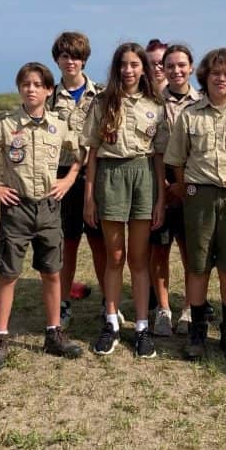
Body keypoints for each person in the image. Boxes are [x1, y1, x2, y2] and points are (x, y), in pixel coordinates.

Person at [0, 62, 84, 372]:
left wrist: (69, 179)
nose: (30, 89)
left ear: (48, 90)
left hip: (48, 208)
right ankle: (0, 337)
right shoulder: (6, 125)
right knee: (8, 273)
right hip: (16, 209)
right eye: (25, 84)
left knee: (53, 272)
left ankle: (54, 332)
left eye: (37, 84)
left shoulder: (58, 125)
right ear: (19, 89)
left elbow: (82, 152)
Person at [164, 47, 226, 361]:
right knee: (198, 266)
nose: (220, 79)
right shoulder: (190, 114)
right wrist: (187, 188)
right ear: (205, 77)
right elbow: (177, 160)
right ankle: (196, 333)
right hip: (198, 197)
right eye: (215, 74)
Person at [83, 42, 168, 357]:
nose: (129, 70)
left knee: (139, 259)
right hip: (111, 176)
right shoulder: (103, 102)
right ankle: (111, 322)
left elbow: (159, 156)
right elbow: (92, 152)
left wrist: (159, 198)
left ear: (144, 68)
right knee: (115, 256)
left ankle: (143, 327)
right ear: (116, 67)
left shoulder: (155, 105)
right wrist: (89, 197)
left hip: (144, 177)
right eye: (123, 64)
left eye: (135, 64)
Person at [47, 32, 106, 327]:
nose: (71, 62)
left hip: (95, 176)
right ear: (57, 58)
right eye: (65, 56)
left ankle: (110, 304)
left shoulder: (104, 94)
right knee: (66, 243)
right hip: (61, 177)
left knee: (100, 242)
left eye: (77, 56)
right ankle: (63, 303)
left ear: (85, 59)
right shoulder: (48, 97)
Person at [149, 44, 202, 337]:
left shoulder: (202, 101)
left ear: (191, 67)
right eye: (170, 66)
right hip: (161, 182)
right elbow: (153, 150)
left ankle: (189, 309)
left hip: (192, 184)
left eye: (181, 65)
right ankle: (164, 309)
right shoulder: (154, 102)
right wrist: (165, 187)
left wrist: (184, 185)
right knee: (160, 249)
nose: (176, 70)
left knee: (190, 251)